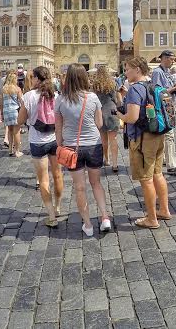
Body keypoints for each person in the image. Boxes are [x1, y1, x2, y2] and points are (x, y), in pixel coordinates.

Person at [55, 63, 111, 236]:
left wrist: (59, 145)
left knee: (80, 187)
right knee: (96, 183)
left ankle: (87, 225)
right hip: (94, 145)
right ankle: (104, 217)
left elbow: (58, 127)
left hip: (72, 148)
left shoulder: (61, 100)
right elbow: (100, 124)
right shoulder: (92, 97)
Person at [117, 57, 171, 229]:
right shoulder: (153, 86)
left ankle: (152, 219)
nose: (125, 73)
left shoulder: (135, 90)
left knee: (146, 179)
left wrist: (118, 115)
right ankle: (164, 210)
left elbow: (131, 118)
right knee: (158, 174)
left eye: (127, 69)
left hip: (142, 138)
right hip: (158, 134)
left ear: (138, 70)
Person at [18, 66, 63, 228]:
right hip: (54, 140)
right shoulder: (56, 95)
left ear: (36, 79)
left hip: (37, 141)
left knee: (43, 178)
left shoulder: (29, 96)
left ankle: (51, 216)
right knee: (57, 175)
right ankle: (58, 207)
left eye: (33, 77)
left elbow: (20, 120)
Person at [151, 50, 176, 174]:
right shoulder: (157, 72)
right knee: (169, 135)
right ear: (164, 58)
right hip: (163, 108)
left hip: (168, 107)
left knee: (165, 135)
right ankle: (172, 165)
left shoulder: (165, 72)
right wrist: (175, 88)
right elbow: (159, 92)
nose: (173, 61)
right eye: (172, 59)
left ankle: (164, 159)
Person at [93, 66, 121, 173]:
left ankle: (106, 159)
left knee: (103, 139)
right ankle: (115, 164)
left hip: (100, 112)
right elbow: (118, 100)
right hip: (112, 112)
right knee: (113, 139)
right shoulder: (113, 83)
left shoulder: (96, 85)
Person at [0, 72, 23, 157]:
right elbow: (21, 101)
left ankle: (10, 150)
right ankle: (17, 151)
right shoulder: (17, 89)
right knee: (16, 132)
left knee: (10, 131)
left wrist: (1, 113)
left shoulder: (3, 89)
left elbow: (1, 102)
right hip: (14, 111)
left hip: (6, 111)